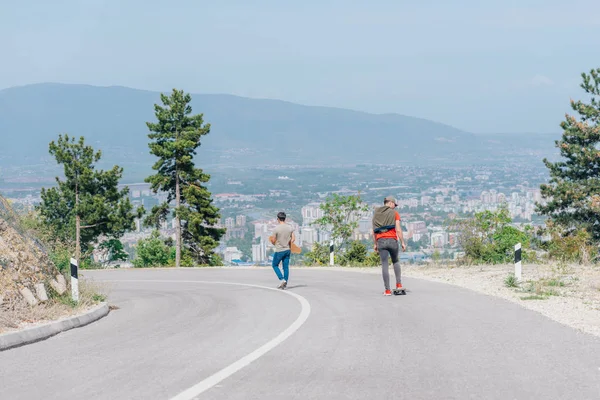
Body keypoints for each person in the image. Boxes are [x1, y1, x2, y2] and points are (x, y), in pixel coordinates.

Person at [372, 196, 407, 296]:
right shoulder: (394, 213)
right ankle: (399, 284)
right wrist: (402, 242)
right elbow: (398, 229)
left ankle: (387, 290)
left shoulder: (376, 214)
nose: (394, 207)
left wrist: (375, 244)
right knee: (395, 261)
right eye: (394, 205)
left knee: (384, 264)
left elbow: (373, 231)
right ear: (390, 203)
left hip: (381, 241)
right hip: (392, 240)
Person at [269, 211, 295, 289]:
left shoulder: (276, 229)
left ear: (278, 219)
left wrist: (275, 244)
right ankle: (285, 282)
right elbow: (293, 239)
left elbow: (273, 240)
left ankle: (281, 279)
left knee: (274, 265)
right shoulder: (290, 227)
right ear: (285, 218)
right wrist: (287, 243)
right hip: (287, 250)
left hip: (279, 250)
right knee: (285, 267)